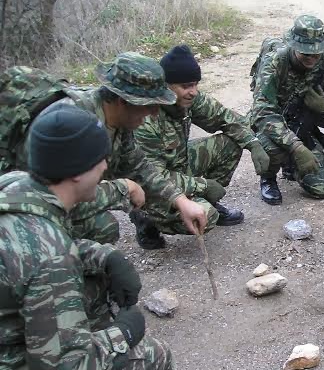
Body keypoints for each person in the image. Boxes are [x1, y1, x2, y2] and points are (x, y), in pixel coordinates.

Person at [0, 105, 173, 370]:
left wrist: (106, 256)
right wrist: (122, 334)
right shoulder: (52, 259)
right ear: (77, 173)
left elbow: (28, 252)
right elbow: (61, 365)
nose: (106, 167)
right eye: (100, 161)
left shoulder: (17, 187)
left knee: (94, 284)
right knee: (154, 360)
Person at [1, 52, 207, 244]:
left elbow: (137, 165)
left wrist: (179, 200)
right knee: (102, 227)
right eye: (149, 105)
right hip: (18, 205)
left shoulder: (120, 119)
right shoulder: (70, 125)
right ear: (122, 101)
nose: (154, 113)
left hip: (44, 197)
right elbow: (53, 197)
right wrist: (123, 189)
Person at [133, 45, 269, 249]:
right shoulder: (146, 120)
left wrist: (253, 143)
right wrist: (203, 185)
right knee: (207, 216)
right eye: (187, 86)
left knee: (231, 142)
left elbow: (228, 119)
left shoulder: (189, 99)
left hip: (178, 167)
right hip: (152, 186)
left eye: (196, 85)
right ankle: (146, 219)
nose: (193, 92)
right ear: (166, 86)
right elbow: (154, 177)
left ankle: (200, 200)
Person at [250, 14, 324, 205]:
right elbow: (262, 111)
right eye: (306, 53)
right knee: (273, 148)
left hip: (302, 124)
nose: (312, 58)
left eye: (316, 53)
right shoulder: (275, 62)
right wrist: (296, 147)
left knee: (323, 187)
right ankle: (268, 178)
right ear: (293, 46)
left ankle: (291, 166)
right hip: (273, 123)